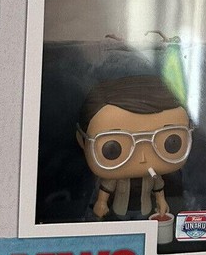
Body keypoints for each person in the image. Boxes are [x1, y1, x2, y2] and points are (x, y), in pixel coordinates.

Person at [76, 75, 192, 220]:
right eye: (112, 149)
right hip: (120, 211)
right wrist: (101, 203)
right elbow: (106, 188)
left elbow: (159, 188)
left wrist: (161, 201)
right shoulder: (116, 178)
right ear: (82, 140)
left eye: (171, 143)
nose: (142, 158)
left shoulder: (153, 176)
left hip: (145, 210)